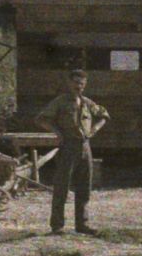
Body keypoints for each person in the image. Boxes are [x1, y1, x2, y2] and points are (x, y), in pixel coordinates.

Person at [38, 68, 109, 235]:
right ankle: (57, 226)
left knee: (85, 187)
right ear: (69, 83)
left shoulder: (87, 103)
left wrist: (94, 129)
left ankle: (82, 224)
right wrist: (57, 132)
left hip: (85, 146)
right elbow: (42, 118)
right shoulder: (60, 102)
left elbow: (104, 115)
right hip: (68, 146)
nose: (79, 86)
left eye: (82, 84)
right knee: (61, 186)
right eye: (76, 82)